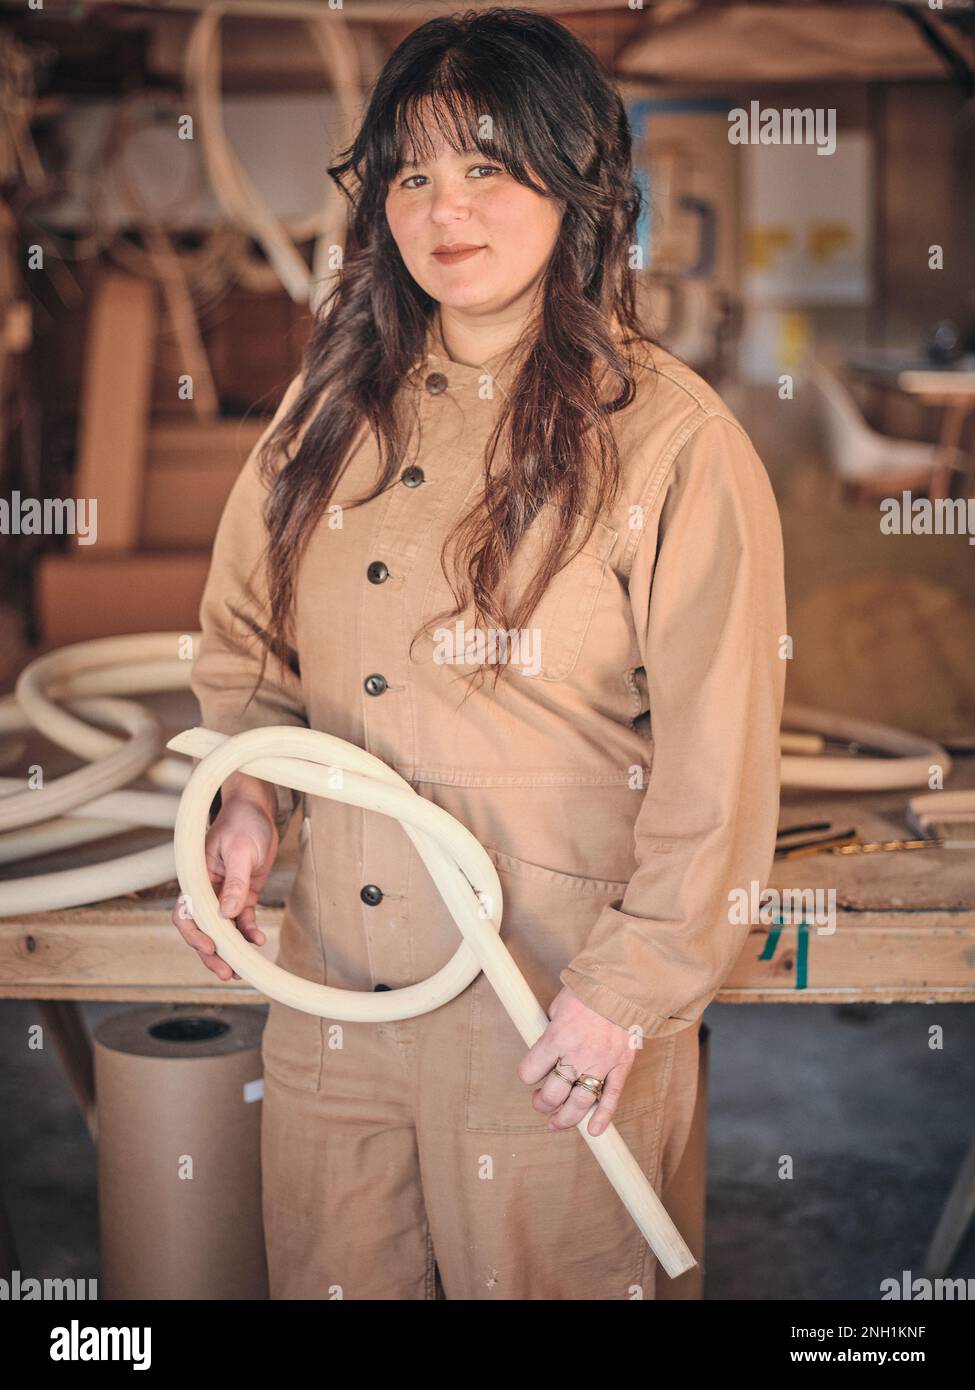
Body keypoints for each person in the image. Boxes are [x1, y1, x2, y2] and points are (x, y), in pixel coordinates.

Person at [173, 7, 786, 1300]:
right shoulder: (328, 405)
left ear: (576, 181)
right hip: (335, 992)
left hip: (547, 1011)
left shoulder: (672, 442)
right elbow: (247, 639)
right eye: (414, 171)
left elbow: (718, 767)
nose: (446, 207)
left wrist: (625, 994)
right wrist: (244, 797)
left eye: (489, 166)